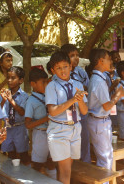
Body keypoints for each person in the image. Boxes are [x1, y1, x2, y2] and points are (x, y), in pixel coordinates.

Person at [45, 51, 88, 184]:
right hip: (59, 130)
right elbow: (52, 111)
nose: (63, 71)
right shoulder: (52, 86)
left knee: (67, 168)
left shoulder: (78, 85)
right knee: (65, 170)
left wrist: (80, 100)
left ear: (70, 66)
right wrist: (72, 100)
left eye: (65, 66)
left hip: (75, 128)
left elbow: (85, 111)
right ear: (53, 70)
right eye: (58, 68)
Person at [87, 49, 124, 183]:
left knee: (106, 156)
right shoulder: (98, 81)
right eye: (108, 59)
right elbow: (106, 106)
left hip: (101, 121)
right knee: (104, 158)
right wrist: (118, 95)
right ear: (100, 61)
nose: (111, 61)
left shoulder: (99, 78)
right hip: (99, 122)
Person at [61, 44, 91, 163]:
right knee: (69, 142)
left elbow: (87, 87)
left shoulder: (81, 72)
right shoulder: (61, 74)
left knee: (83, 139)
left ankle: (86, 164)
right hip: (66, 112)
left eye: (77, 55)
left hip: (81, 109)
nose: (76, 58)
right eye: (72, 56)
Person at [25, 68, 56, 178]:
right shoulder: (31, 101)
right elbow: (28, 125)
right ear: (33, 84)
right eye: (43, 82)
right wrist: (46, 118)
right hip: (40, 135)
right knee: (38, 164)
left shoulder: (49, 96)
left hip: (52, 132)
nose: (46, 84)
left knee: (52, 162)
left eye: (46, 81)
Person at [0, 66, 30, 165]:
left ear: (21, 80)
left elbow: (22, 112)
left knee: (23, 154)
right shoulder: (4, 94)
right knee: (10, 154)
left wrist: (11, 101)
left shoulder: (25, 96)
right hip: (8, 128)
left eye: (13, 78)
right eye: (8, 77)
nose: (9, 80)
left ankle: (25, 175)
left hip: (20, 128)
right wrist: (4, 100)